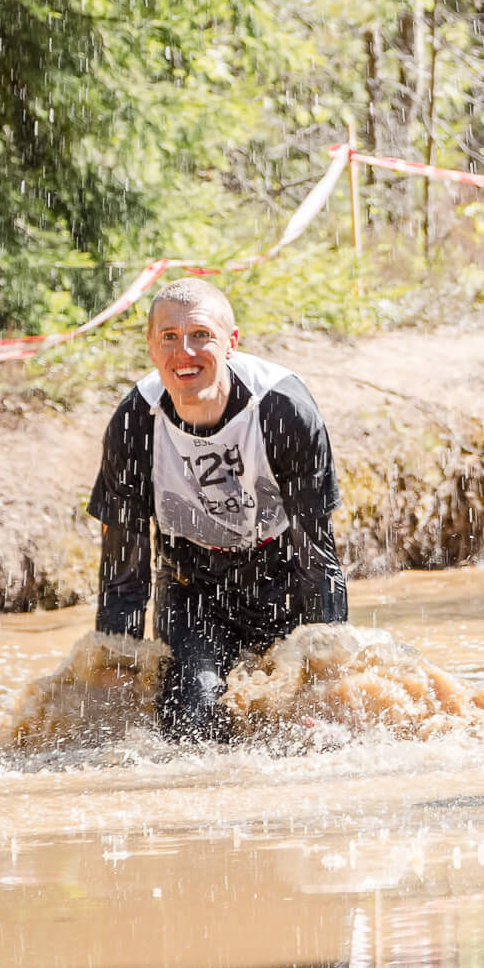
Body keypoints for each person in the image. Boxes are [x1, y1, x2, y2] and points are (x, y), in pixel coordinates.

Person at [88, 278, 347, 745]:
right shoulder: (133, 425)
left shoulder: (283, 410)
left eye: (200, 335)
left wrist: (327, 668)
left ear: (230, 343)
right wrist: (116, 669)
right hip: (194, 587)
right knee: (190, 724)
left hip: (286, 575)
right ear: (151, 346)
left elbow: (319, 556)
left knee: (299, 733)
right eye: (169, 337)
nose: (184, 352)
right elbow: (123, 571)